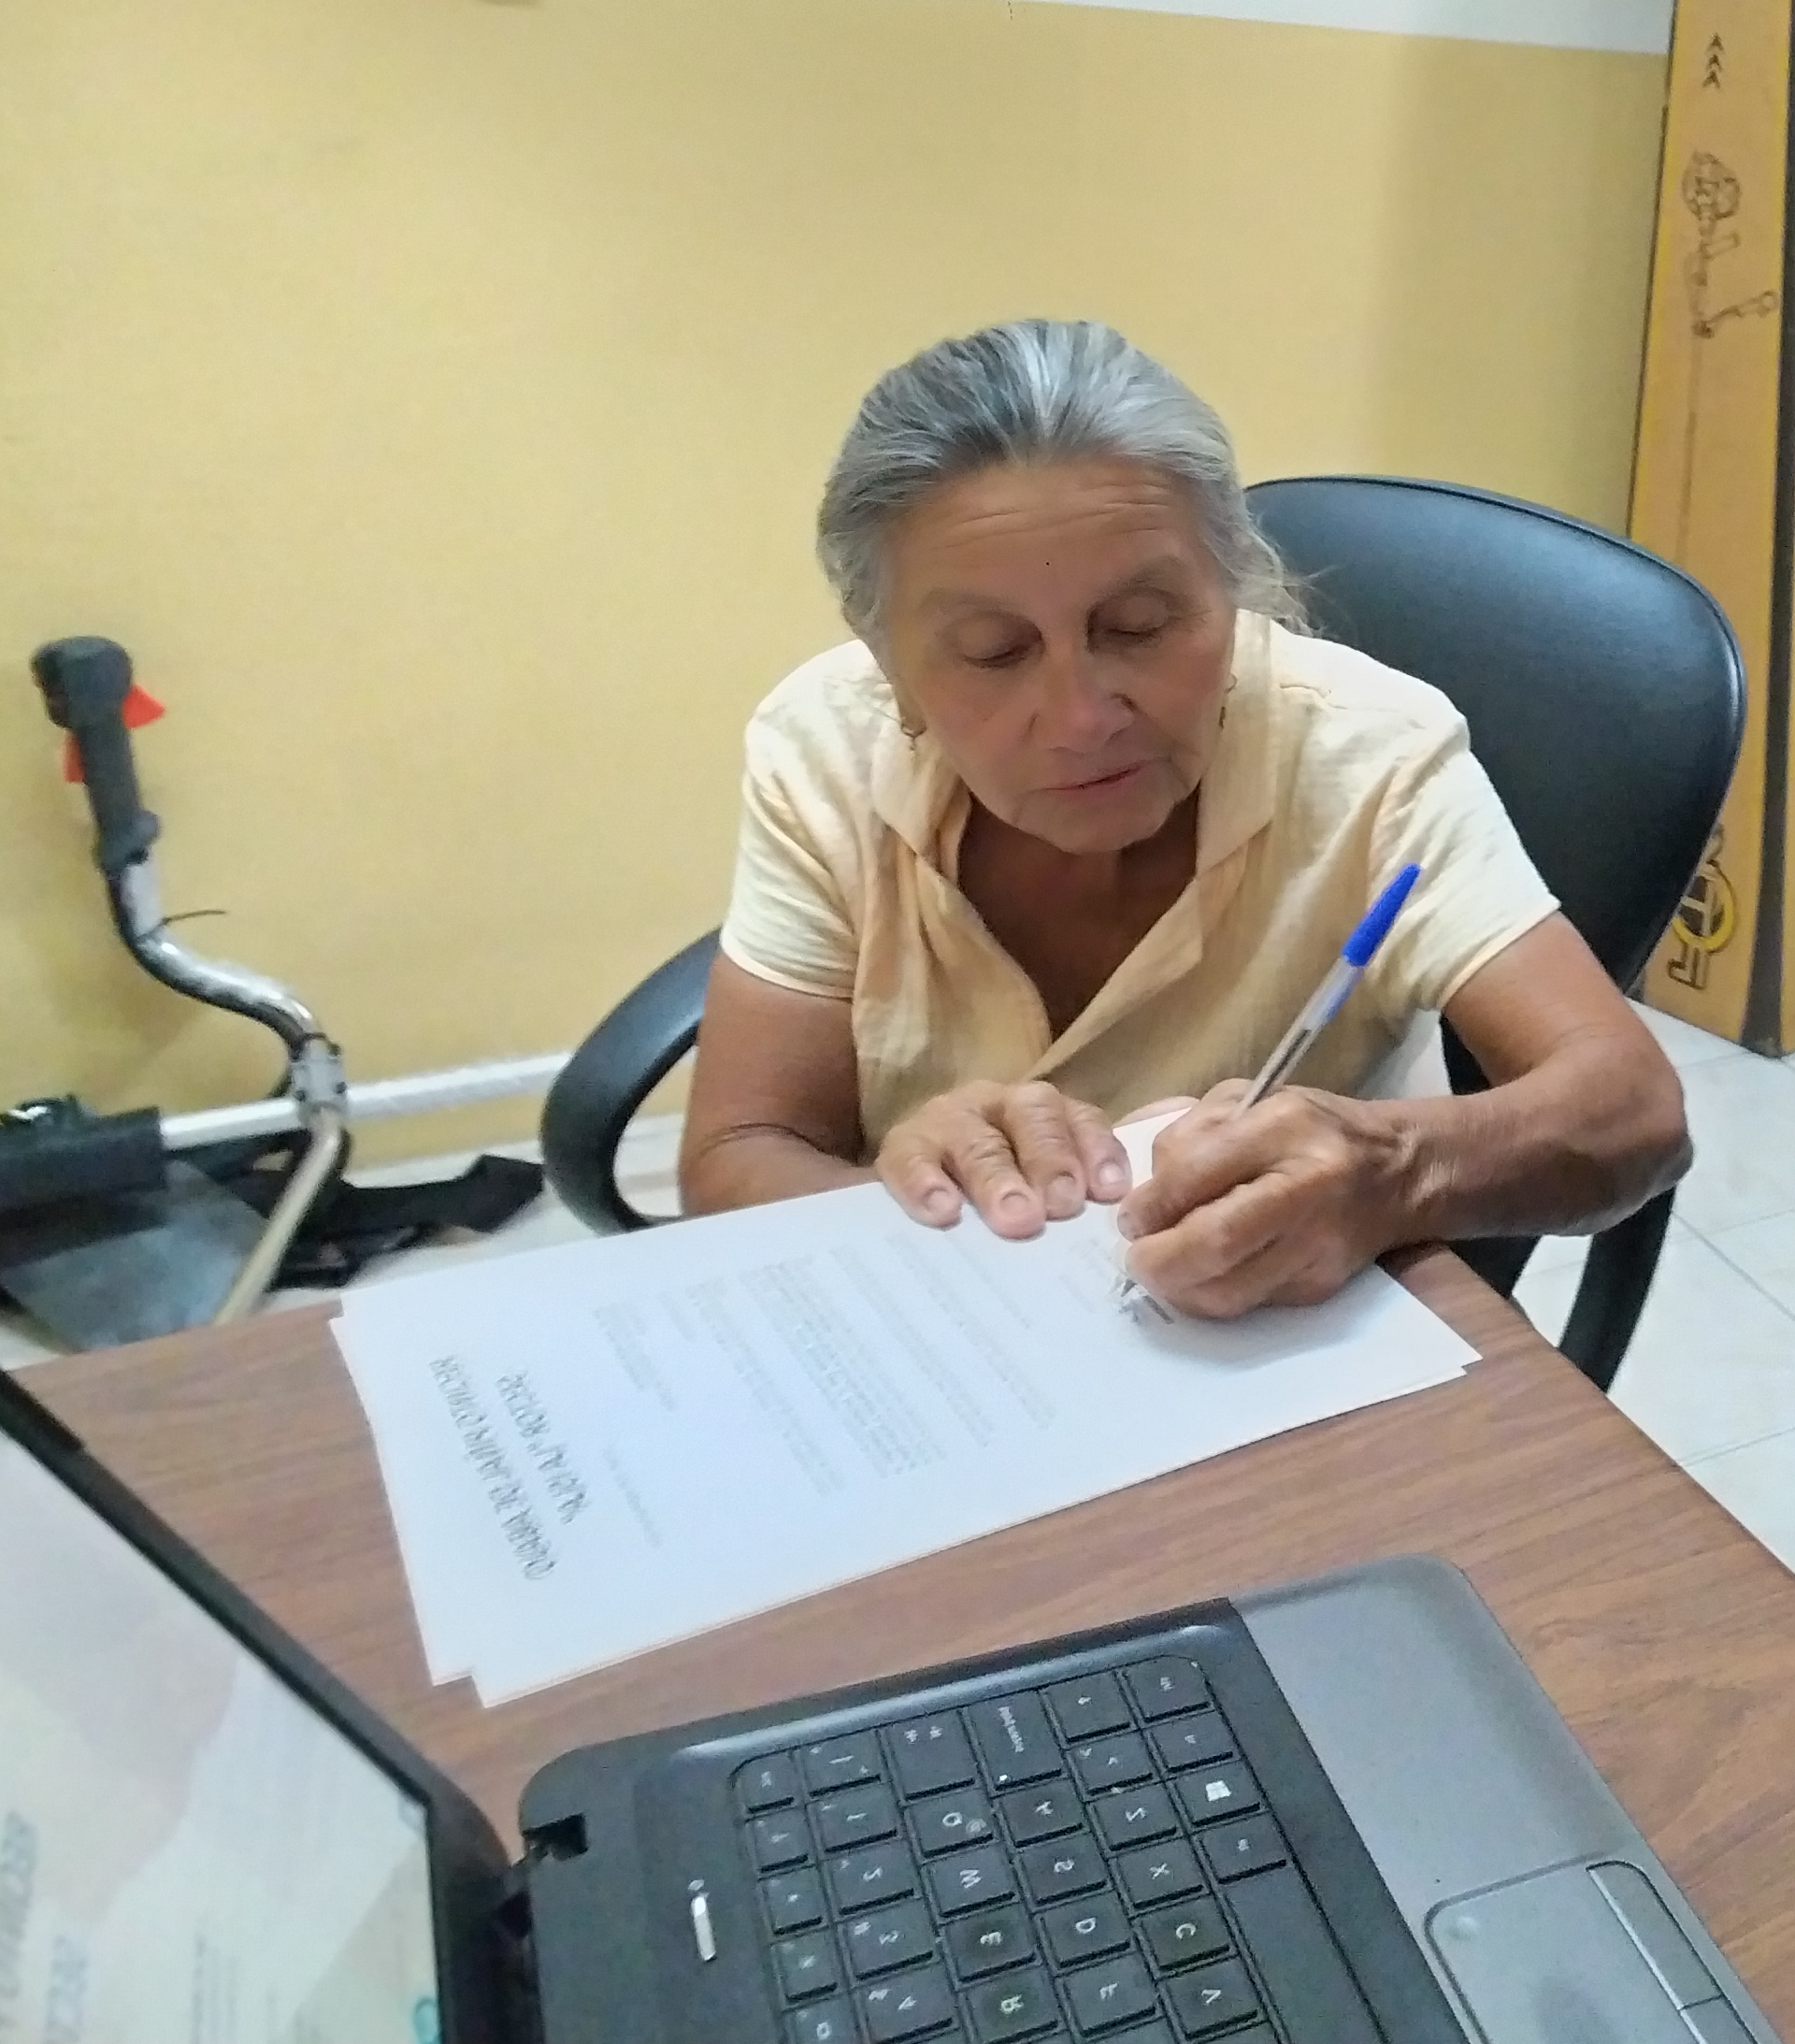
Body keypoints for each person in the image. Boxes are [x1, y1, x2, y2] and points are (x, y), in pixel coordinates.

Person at [679, 318, 1688, 1317]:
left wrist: (1391, 1166)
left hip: (1265, 1329)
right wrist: (913, 1203)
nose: (1082, 719)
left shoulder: (1373, 755)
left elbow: (1632, 1110)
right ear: (888, 666)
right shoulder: (826, 745)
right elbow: (734, 1156)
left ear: (1234, 592)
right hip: (936, 1324)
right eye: (994, 651)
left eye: (1140, 626)